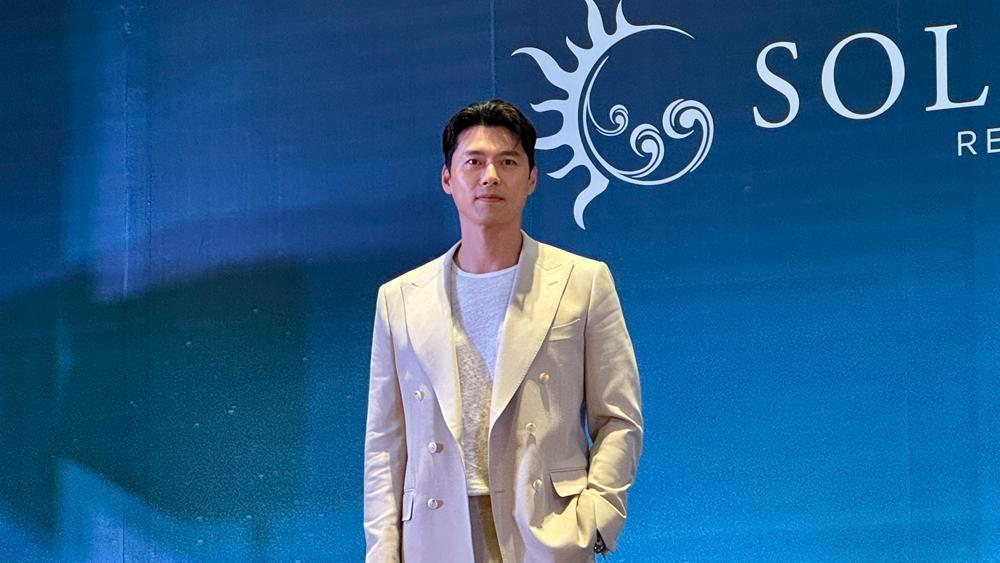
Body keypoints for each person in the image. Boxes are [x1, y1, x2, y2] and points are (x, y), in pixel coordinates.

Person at [363, 99, 642, 562]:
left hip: (546, 527)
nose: (490, 176)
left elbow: (618, 418)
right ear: (447, 179)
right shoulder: (400, 299)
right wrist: (382, 552)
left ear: (531, 178)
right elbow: (384, 445)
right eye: (473, 161)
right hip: (434, 532)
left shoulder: (582, 281)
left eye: (508, 162)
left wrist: (596, 520)